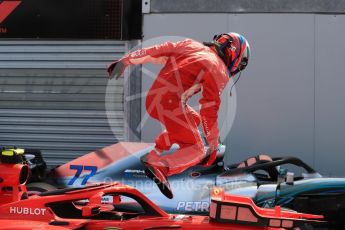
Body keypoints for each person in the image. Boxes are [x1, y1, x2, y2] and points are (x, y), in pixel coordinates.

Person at [107, 33, 250, 199]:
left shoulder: (191, 45)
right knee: (197, 150)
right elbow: (209, 111)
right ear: (234, 54)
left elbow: (158, 50)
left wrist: (126, 60)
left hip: (154, 100)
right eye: (239, 64)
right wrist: (213, 145)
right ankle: (160, 166)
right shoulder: (218, 69)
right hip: (171, 105)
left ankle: (154, 153)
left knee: (194, 120)